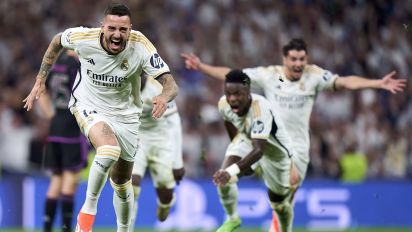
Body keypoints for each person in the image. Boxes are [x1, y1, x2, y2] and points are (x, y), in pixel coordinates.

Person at [181, 38, 407, 232]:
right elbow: (231, 75)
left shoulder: (315, 76)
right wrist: (202, 67)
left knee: (282, 202)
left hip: (295, 148)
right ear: (285, 60)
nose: (299, 64)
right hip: (261, 135)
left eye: (302, 59)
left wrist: (378, 83)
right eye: (294, 59)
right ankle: (233, 217)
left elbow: (346, 82)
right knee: (228, 171)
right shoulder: (270, 75)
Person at [23, 3, 179, 232]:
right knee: (109, 149)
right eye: (112, 28)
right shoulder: (84, 38)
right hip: (88, 105)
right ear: (102, 27)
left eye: (123, 30)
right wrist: (40, 79)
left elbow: (170, 83)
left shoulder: (141, 45)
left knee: (122, 184)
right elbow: (57, 40)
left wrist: (164, 97)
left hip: (126, 115)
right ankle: (86, 214)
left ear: (130, 29)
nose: (117, 34)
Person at [213, 70, 299, 232]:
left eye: (237, 94)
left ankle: (285, 229)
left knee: (279, 204)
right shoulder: (223, 104)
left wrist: (235, 168)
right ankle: (233, 219)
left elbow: (259, 150)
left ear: (248, 92)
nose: (232, 99)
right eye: (228, 93)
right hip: (247, 139)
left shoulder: (261, 108)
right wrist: (240, 162)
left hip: (276, 153)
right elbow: (231, 126)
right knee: (223, 176)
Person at [36, 48, 88, 232]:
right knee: (69, 179)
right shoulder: (79, 66)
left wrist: (51, 115)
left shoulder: (57, 66)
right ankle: (66, 228)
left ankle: (47, 227)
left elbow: (41, 91)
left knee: (55, 181)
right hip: (72, 129)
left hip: (55, 128)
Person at [129, 74, 184, 231]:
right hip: (136, 138)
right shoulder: (122, 84)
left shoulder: (158, 90)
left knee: (165, 195)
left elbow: (174, 122)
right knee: (131, 187)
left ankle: (165, 206)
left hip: (161, 140)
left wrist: (177, 163)